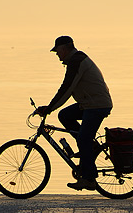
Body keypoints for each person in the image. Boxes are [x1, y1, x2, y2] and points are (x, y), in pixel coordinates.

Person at [36, 35, 113, 191]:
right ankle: (89, 149)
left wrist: (49, 108)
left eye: (57, 51)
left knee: (83, 139)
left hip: (96, 105)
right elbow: (67, 90)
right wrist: (52, 108)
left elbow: (67, 88)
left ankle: (89, 179)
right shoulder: (75, 60)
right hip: (88, 104)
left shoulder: (76, 62)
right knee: (64, 115)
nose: (57, 55)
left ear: (64, 49)